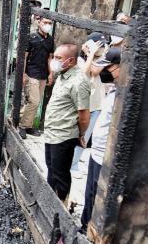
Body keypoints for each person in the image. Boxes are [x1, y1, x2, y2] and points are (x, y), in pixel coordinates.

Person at [80, 47, 121, 233]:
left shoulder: (125, 97)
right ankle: (84, 225)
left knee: (98, 195)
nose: (105, 72)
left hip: (106, 155)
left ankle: (92, 231)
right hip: (96, 152)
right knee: (90, 193)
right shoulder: (115, 90)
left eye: (109, 68)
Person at [43, 43, 91, 201]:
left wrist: (81, 134)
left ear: (70, 61)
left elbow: (84, 115)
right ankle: (50, 202)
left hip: (64, 135)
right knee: (51, 169)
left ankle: (62, 206)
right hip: (52, 132)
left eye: (58, 58)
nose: (54, 61)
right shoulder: (63, 75)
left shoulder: (79, 81)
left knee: (60, 174)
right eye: (54, 57)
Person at [71, 32, 108, 178]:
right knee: (74, 135)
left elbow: (96, 70)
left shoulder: (104, 57)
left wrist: (93, 53)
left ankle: (74, 164)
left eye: (103, 45)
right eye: (99, 44)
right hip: (82, 105)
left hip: (96, 104)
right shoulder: (79, 59)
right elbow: (87, 71)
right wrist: (89, 53)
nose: (102, 47)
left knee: (85, 137)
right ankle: (69, 162)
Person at [19, 17, 55, 139]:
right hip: (31, 73)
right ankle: (23, 126)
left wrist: (51, 73)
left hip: (43, 75)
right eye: (45, 22)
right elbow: (24, 57)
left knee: (36, 102)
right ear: (39, 23)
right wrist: (23, 74)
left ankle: (28, 126)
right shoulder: (31, 37)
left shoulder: (50, 40)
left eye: (50, 23)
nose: (48, 25)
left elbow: (50, 58)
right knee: (34, 101)